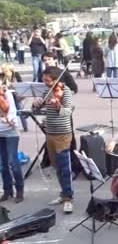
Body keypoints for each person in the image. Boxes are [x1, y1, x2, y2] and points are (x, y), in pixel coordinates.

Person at [33, 67, 75, 213]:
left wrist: (58, 107)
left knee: (65, 168)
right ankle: (63, 194)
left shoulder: (66, 91)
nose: (45, 83)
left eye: (48, 80)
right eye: (44, 80)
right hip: (50, 134)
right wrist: (36, 103)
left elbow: (68, 111)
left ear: (56, 78)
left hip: (63, 134)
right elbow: (36, 111)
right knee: (57, 166)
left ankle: (69, 197)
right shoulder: (47, 92)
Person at [0, 86, 24, 203]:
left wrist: (8, 119)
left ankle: (19, 189)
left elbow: (12, 112)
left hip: (10, 132)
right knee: (2, 163)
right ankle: (7, 190)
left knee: (12, 161)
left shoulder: (7, 94)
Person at [0, 63, 27, 132]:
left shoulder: (16, 75)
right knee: (8, 110)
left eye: (5, 70)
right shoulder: (2, 76)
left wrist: (14, 86)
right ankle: (10, 124)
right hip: (7, 95)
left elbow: (21, 85)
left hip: (16, 95)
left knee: (20, 110)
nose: (3, 72)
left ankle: (25, 126)